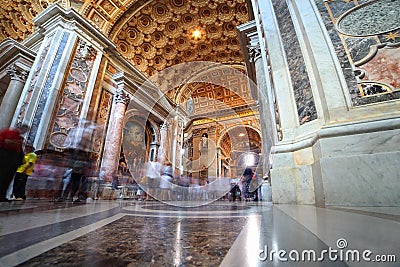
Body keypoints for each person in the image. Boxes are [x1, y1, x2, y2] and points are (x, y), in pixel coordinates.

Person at [0, 124, 29, 202]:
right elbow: (6, 141)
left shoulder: (19, 137)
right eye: (25, 130)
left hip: (12, 159)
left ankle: (2, 195)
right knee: (2, 176)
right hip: (5, 157)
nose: (25, 132)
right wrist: (17, 142)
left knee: (8, 178)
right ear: (21, 128)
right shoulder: (10, 132)